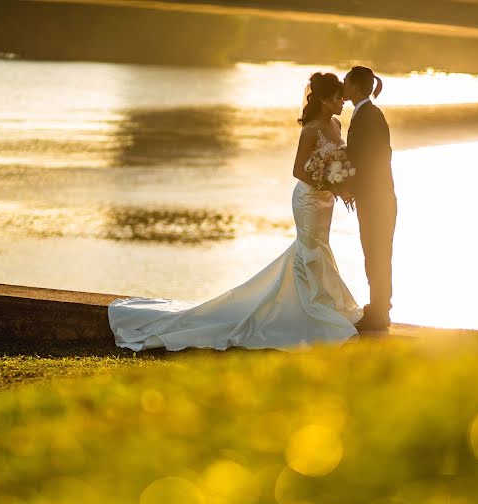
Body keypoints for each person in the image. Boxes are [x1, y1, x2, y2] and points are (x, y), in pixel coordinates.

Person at [108, 72, 364, 351]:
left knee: (316, 249)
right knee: (311, 250)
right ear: (326, 99)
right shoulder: (310, 130)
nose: (343, 102)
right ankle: (317, 311)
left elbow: (338, 160)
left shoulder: (337, 124)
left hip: (326, 200)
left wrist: (341, 183)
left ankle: (316, 306)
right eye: (338, 97)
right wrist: (328, 182)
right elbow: (297, 170)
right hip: (308, 200)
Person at [342, 66, 398, 333]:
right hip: (376, 197)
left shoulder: (369, 115)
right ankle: (378, 308)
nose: (343, 86)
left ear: (355, 86)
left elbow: (373, 157)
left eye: (346, 82)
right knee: (374, 254)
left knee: (376, 254)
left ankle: (379, 314)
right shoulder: (366, 113)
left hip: (377, 199)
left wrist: (351, 185)